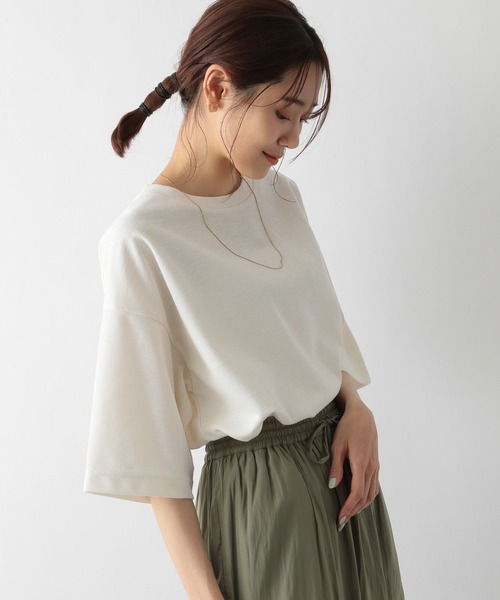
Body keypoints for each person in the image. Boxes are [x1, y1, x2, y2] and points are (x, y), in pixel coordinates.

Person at [83, 0, 405, 598]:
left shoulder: (282, 197)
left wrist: (357, 408)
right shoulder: (141, 240)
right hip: (263, 502)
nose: (293, 138)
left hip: (348, 484)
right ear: (217, 87)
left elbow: (316, 330)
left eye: (304, 117)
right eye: (283, 112)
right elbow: (155, 454)